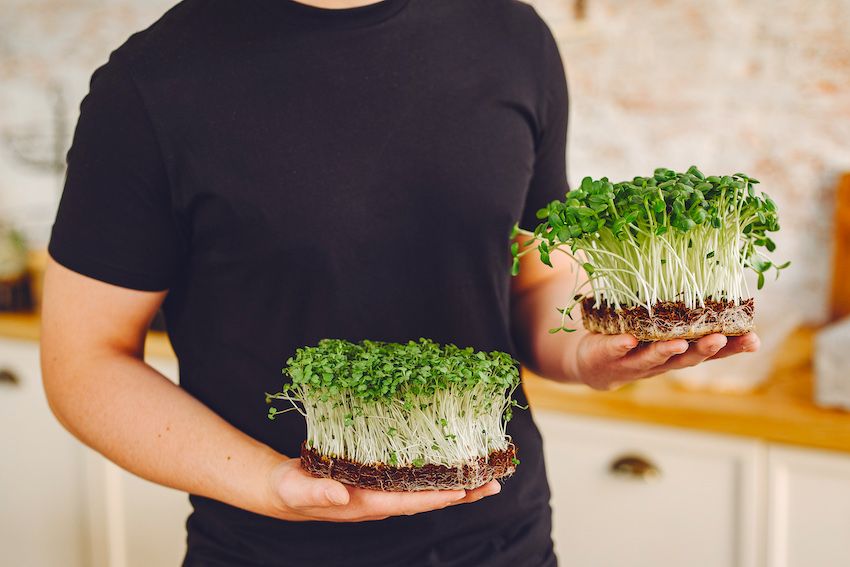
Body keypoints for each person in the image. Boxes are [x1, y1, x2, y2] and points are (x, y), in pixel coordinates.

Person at [40, 1, 761, 565]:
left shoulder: (512, 37)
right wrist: (273, 484)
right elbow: (84, 362)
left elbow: (529, 278)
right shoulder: (154, 83)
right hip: (268, 551)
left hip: (501, 540)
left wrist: (588, 354)